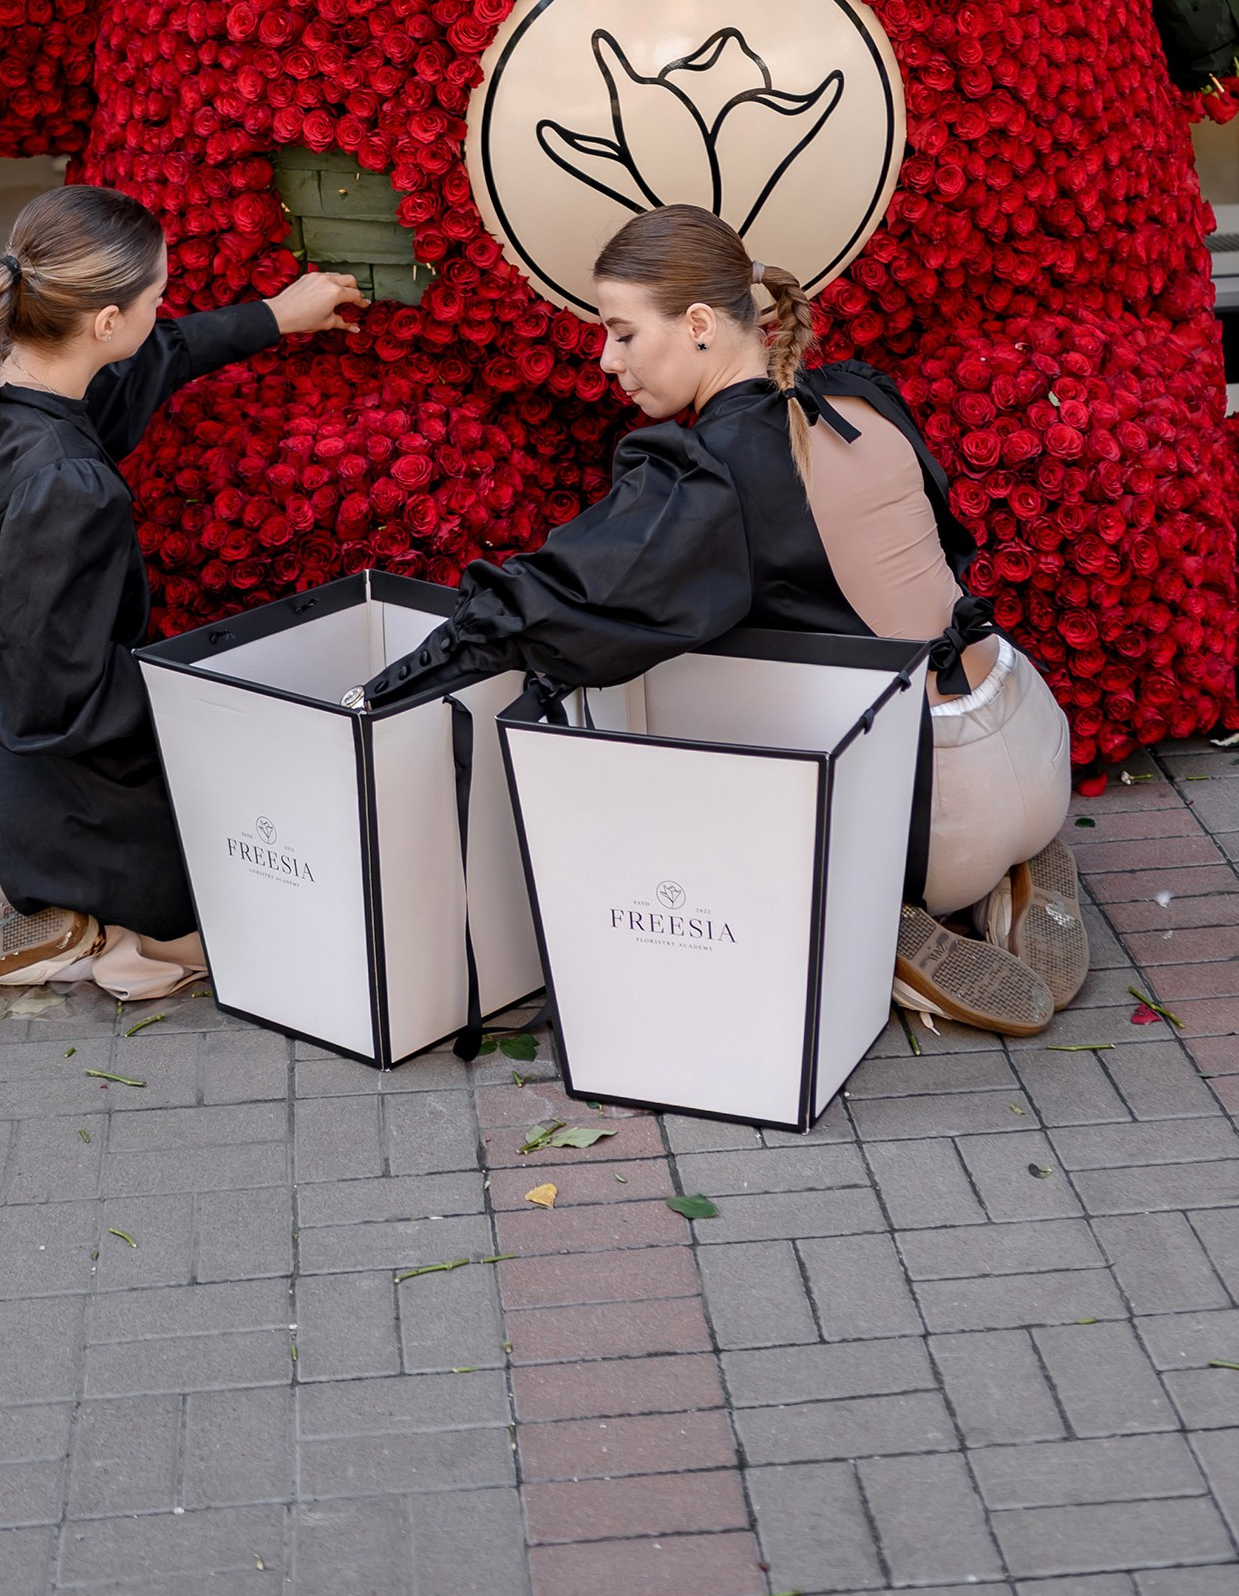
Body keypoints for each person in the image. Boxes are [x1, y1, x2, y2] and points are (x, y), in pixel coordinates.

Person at [359, 202, 1087, 1039]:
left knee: (659, 680)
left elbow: (554, 601)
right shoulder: (861, 394)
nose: (606, 360)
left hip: (921, 818)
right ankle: (1021, 855)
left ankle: (877, 910)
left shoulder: (709, 471)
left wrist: (384, 690)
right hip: (1026, 724)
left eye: (623, 333)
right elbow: (947, 554)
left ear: (700, 323)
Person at [0, 183, 364, 998]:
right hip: (38, 810)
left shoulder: (0, 394)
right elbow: (56, 698)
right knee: (262, 923)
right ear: (105, 323)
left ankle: (30, 894)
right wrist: (221, 704)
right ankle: (73, 921)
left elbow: (165, 353)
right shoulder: (68, 484)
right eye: (157, 294)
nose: (165, 305)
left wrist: (276, 315)